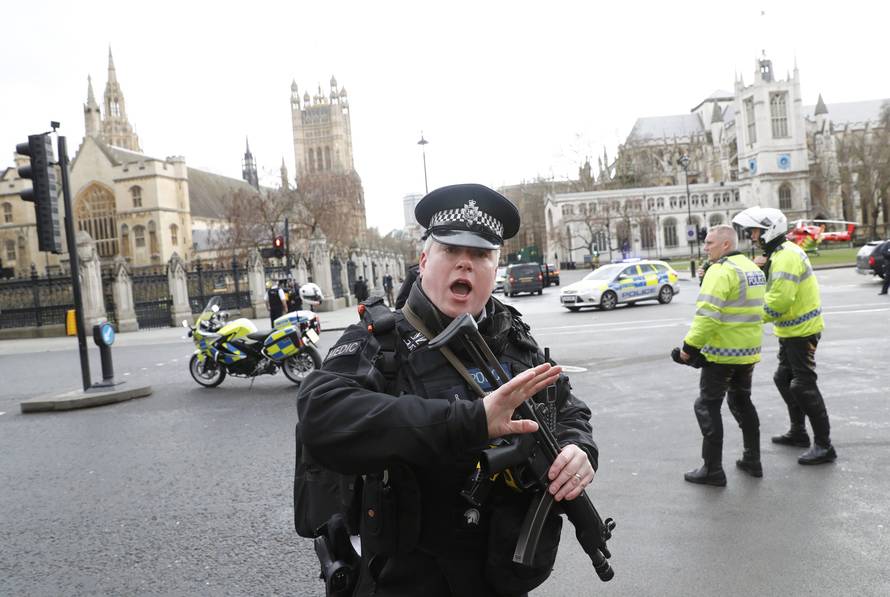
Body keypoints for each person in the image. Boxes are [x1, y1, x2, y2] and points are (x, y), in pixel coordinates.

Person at [296, 183, 598, 596]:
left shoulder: (513, 336)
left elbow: (567, 408)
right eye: (450, 251)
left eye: (480, 255)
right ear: (423, 261)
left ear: (496, 268)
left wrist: (578, 449)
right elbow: (321, 413)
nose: (465, 265)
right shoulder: (382, 341)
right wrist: (471, 421)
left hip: (498, 575)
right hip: (408, 579)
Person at [733, 207, 837, 465]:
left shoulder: (786, 257)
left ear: (770, 231)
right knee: (783, 378)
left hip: (802, 332)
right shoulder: (779, 254)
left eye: (756, 231)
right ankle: (799, 432)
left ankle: (825, 446)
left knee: (803, 385)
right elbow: (773, 289)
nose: (753, 237)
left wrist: (748, 318)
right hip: (791, 331)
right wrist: (762, 269)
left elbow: (779, 300)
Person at [676, 225, 766, 486]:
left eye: (710, 243)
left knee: (706, 405)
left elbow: (707, 315)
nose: (705, 247)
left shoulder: (721, 270)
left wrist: (689, 349)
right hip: (748, 353)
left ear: (726, 245)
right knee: (742, 402)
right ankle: (753, 459)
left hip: (721, 354)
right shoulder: (751, 269)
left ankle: (712, 469)